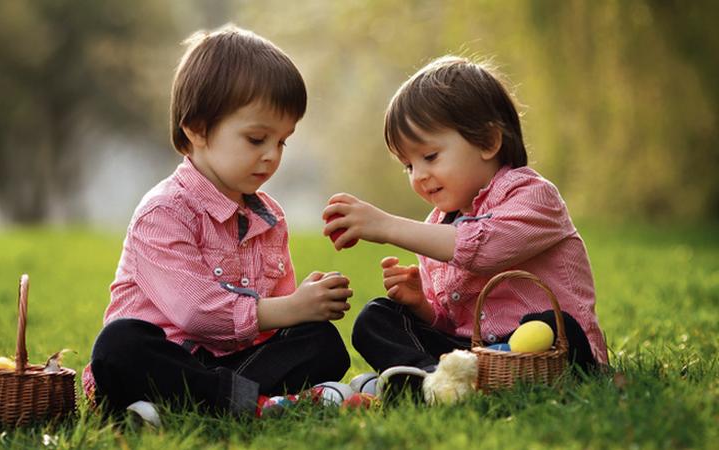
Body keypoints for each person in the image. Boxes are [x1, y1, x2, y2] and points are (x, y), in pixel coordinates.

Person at [82, 25, 353, 422]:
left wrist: (303, 306)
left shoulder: (270, 218)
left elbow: (273, 323)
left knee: (321, 342)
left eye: (282, 142)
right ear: (197, 129)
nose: (272, 156)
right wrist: (289, 308)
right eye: (256, 139)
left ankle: (189, 407)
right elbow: (197, 314)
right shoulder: (164, 213)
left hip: (230, 364)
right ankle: (249, 403)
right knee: (119, 344)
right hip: (164, 359)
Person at [323, 55, 608, 393]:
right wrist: (423, 307)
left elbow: (485, 247)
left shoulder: (535, 197)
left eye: (429, 157)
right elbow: (454, 321)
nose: (420, 175)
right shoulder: (437, 225)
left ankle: (427, 383)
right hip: (473, 355)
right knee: (376, 319)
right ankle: (434, 383)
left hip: (547, 350)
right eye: (408, 166)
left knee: (549, 326)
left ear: (488, 142)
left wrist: (386, 226)